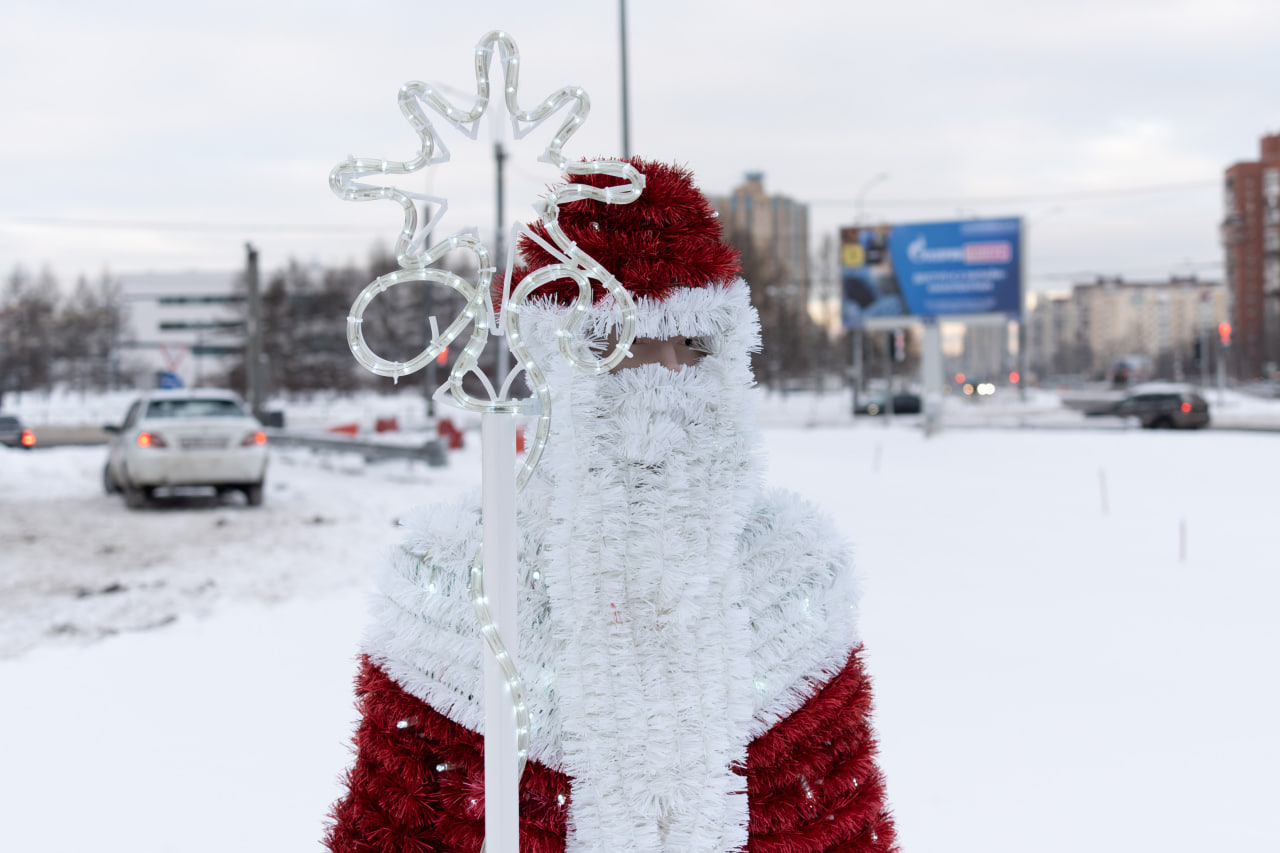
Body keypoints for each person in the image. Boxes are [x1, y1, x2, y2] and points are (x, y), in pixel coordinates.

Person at [324, 158, 897, 853]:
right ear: (552, 355)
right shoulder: (459, 570)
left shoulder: (790, 566)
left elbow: (832, 821)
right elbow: (399, 820)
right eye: (617, 344)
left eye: (693, 344)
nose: (664, 377)